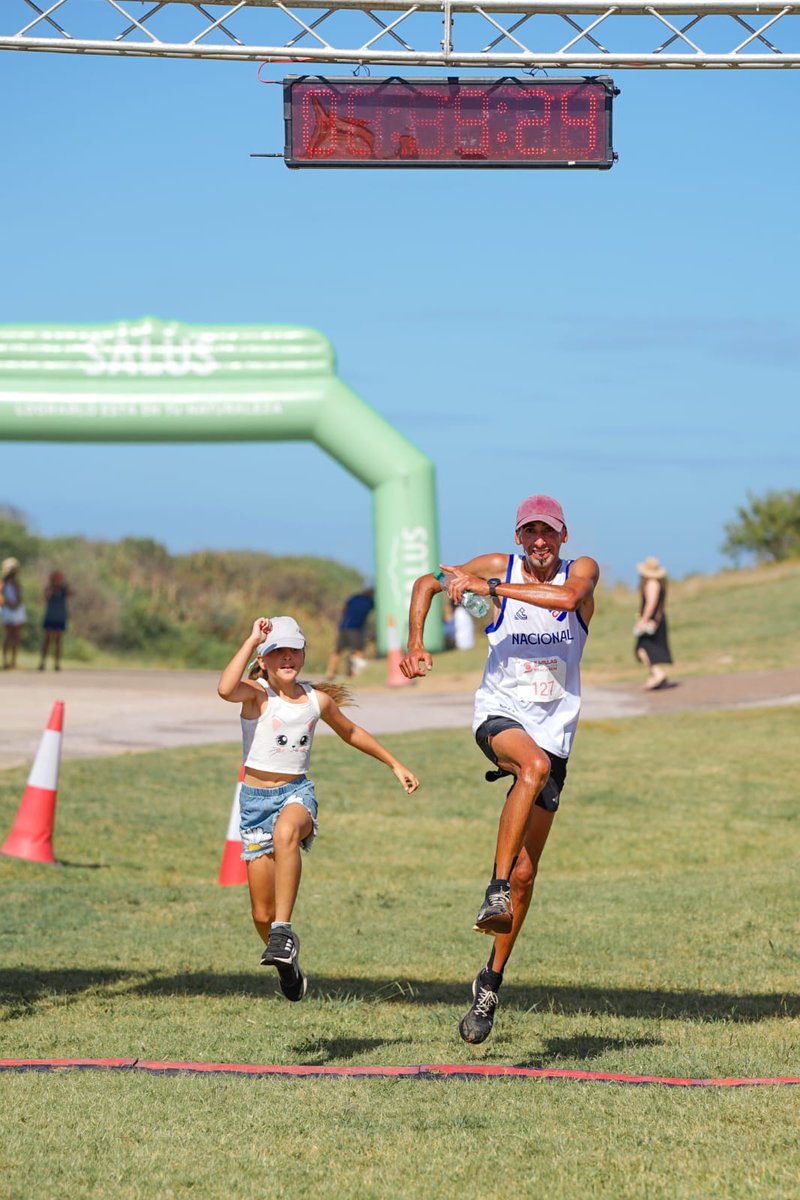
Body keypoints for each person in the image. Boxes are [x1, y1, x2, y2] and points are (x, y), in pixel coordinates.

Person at [400, 495, 598, 1044]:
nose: (539, 541)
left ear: (563, 535)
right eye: (529, 532)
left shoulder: (580, 570)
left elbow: (566, 598)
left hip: (556, 730)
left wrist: (488, 591)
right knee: (528, 767)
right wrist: (416, 642)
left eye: (548, 532)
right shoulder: (498, 567)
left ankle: (489, 981)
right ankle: (494, 889)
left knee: (528, 874)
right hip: (500, 715)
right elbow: (427, 583)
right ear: (518, 537)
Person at [218, 614, 419, 1001]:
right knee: (260, 913)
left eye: (294, 650)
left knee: (286, 832)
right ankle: (286, 958)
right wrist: (249, 639)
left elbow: (352, 732)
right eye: (278, 652)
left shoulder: (316, 700)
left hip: (297, 794)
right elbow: (225, 688)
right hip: (255, 803)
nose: (287, 658)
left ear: (304, 654)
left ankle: (282, 930)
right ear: (263, 659)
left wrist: (396, 764)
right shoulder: (256, 695)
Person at [634, 556, 673, 690]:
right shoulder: (660, 584)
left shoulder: (652, 584)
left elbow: (651, 604)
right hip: (658, 620)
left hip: (652, 622)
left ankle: (657, 673)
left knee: (643, 648)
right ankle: (654, 675)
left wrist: (643, 620)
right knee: (646, 648)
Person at [326, 586, 375, 679]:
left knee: (338, 650)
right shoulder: (370, 601)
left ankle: (329, 671)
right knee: (358, 651)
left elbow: (344, 609)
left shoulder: (354, 597)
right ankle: (355, 674)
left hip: (344, 626)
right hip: (355, 627)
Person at [39, 571, 72, 671]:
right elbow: (46, 596)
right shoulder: (49, 589)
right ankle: (42, 663)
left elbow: (72, 593)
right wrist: (52, 589)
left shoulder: (63, 590)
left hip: (60, 618)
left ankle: (57, 664)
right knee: (47, 641)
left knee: (58, 641)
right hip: (50, 617)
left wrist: (65, 587)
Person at [1, 557, 26, 670]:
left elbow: (20, 596)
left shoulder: (16, 582)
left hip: (18, 611)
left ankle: (13, 662)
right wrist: (10, 604)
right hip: (8, 610)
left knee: (16, 636)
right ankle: (5, 661)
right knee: (9, 636)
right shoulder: (3, 583)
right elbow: (2, 597)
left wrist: (17, 604)